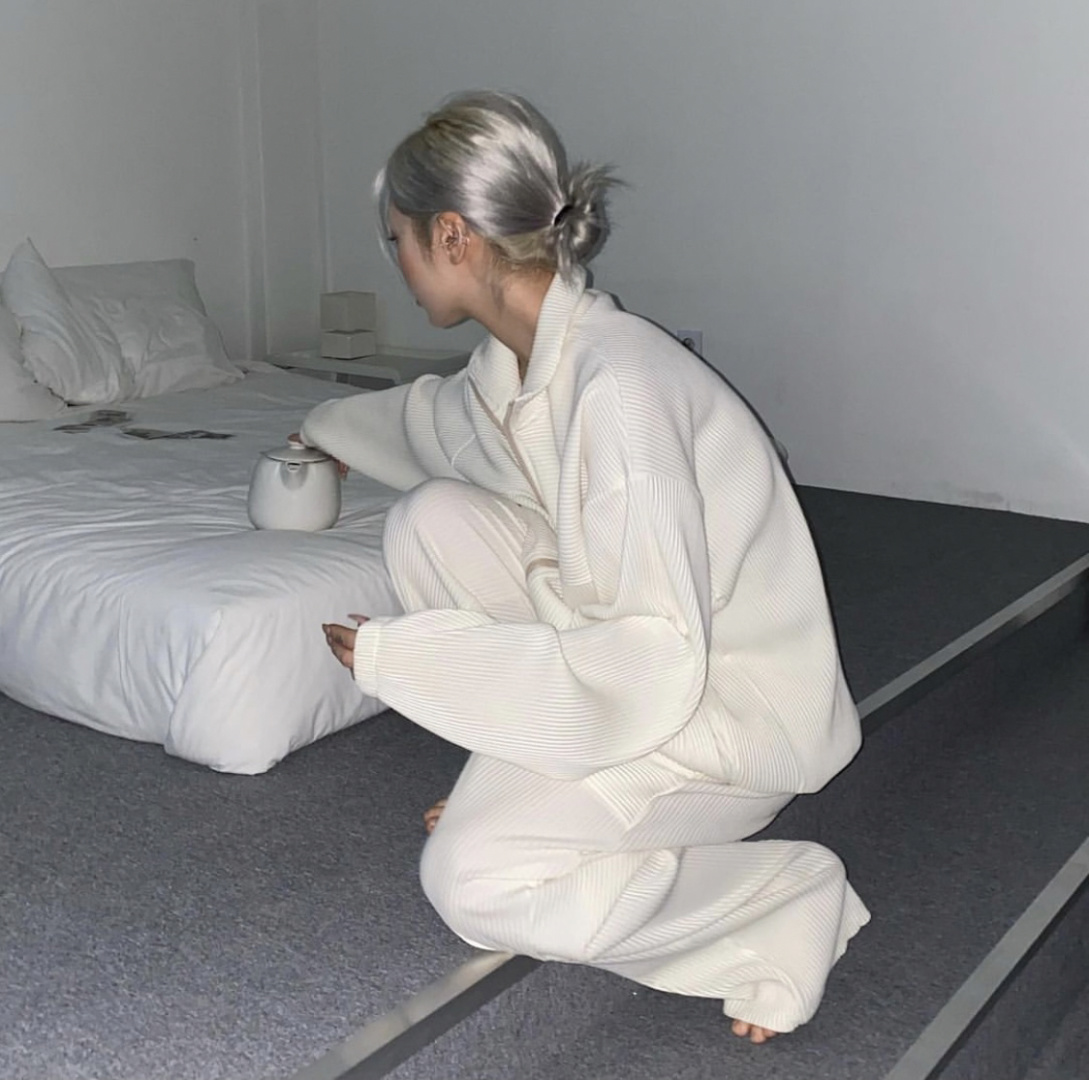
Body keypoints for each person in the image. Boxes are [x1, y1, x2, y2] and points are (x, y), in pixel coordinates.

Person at [312, 90, 869, 1044]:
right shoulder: (531, 358)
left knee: (472, 880)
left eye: (394, 238)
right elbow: (439, 424)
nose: (394, 262)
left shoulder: (619, 390)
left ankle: (777, 901)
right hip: (638, 678)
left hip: (719, 718)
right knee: (430, 520)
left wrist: (409, 661)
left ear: (451, 236)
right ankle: (539, 772)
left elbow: (652, 656)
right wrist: (322, 428)